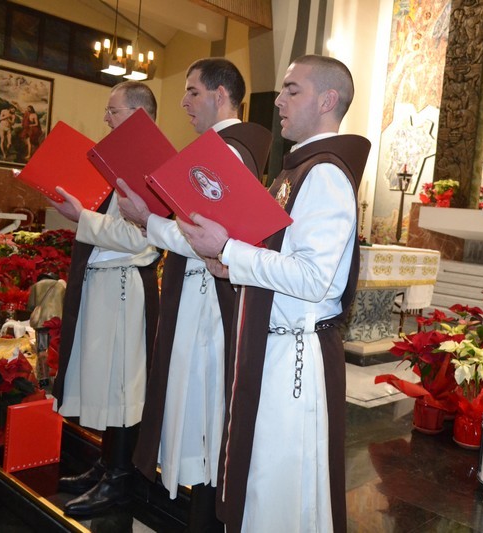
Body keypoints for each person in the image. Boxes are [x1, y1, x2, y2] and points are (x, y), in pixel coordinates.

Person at [178, 54, 371, 533]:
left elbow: (313, 278)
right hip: (275, 348)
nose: (279, 100)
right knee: (264, 482)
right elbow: (276, 258)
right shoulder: (298, 169)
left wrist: (230, 250)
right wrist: (229, 264)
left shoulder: (325, 175)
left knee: (282, 486)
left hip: (296, 357)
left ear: (327, 100)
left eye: (292, 90)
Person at [121, 58, 271, 532]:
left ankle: (205, 519)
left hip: (210, 307)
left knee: (207, 418)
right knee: (200, 418)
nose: (183, 102)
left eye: (192, 91)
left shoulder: (230, 153)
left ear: (220, 95)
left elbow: (204, 238)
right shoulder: (222, 149)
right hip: (200, 299)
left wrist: (148, 220)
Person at [49, 81, 160, 518]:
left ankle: (120, 477)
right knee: (105, 380)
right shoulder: (116, 161)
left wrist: (83, 217)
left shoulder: (150, 163)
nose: (105, 118)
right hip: (103, 283)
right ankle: (105, 464)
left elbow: (141, 238)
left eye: (113, 111)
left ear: (137, 115)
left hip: (125, 288)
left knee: (122, 385)